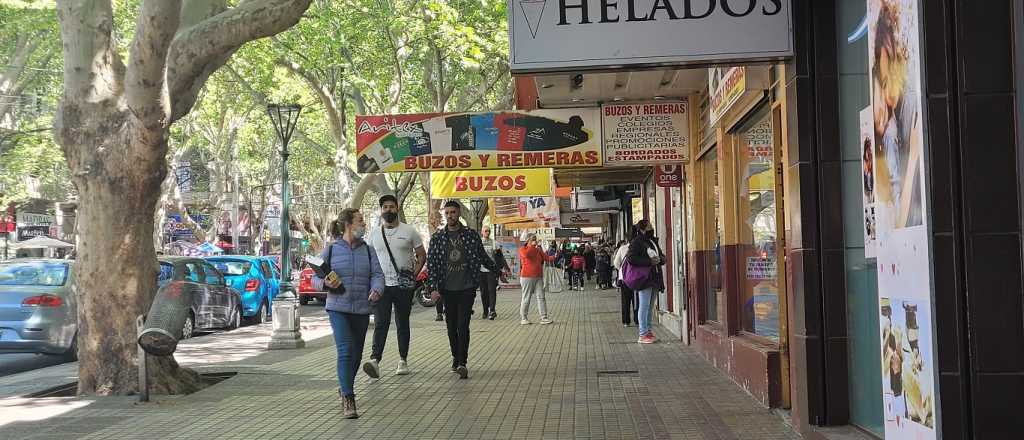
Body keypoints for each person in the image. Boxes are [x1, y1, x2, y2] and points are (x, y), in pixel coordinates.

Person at [313, 208, 385, 419]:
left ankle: (344, 386)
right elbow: (314, 279)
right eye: (360, 221)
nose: (363, 225)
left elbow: (378, 275)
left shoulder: (368, 250)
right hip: (338, 308)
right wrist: (324, 283)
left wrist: (377, 289)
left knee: (356, 355)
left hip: (362, 308)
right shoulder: (331, 250)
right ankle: (349, 397)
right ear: (348, 225)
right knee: (345, 350)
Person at [426, 200, 508, 379]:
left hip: (467, 287)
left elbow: (482, 257)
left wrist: (498, 271)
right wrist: (433, 288)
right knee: (451, 326)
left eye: (453, 212)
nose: (450, 216)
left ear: (458, 214)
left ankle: (462, 361)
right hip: (447, 289)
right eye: (447, 213)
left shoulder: (470, 235)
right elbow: (431, 265)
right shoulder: (438, 238)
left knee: (463, 325)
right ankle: (455, 356)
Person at [363, 195, 426, 378]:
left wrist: (413, 275)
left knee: (402, 322)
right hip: (381, 286)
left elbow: (422, 255)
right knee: (381, 323)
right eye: (385, 207)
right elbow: (368, 258)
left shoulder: (409, 231)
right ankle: (375, 360)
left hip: (403, 286)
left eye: (391, 207)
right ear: (381, 210)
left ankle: (403, 360)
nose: (388, 210)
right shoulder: (374, 234)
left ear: (397, 208)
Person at [627, 220, 665, 344]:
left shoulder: (652, 241)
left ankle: (648, 331)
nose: (652, 228)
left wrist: (661, 259)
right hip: (644, 278)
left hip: (655, 277)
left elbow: (660, 254)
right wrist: (649, 262)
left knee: (649, 306)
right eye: (649, 227)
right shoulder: (637, 242)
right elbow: (631, 258)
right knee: (643, 306)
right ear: (643, 229)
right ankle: (642, 334)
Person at [518, 232, 558, 325]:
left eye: (535, 239)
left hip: (538, 277)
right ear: (528, 240)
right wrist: (532, 246)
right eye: (533, 239)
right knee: (526, 297)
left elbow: (547, 258)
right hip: (526, 277)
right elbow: (526, 255)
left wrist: (555, 256)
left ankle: (544, 317)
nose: (535, 241)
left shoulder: (538, 250)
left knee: (541, 297)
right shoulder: (523, 249)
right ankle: (523, 318)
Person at [612, 239, 637, 327]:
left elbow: (616, 263)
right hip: (637, 279)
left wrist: (623, 271)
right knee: (636, 300)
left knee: (625, 301)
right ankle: (637, 320)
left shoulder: (622, 248)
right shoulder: (639, 247)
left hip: (625, 279)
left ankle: (626, 321)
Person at [477, 225, 499, 320]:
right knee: (483, 292)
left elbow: (498, 257)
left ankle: (492, 310)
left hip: (491, 271)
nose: (487, 232)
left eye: (489, 231)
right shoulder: (479, 242)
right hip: (481, 270)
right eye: (485, 231)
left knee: (492, 290)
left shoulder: (494, 243)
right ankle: (485, 309)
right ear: (482, 232)